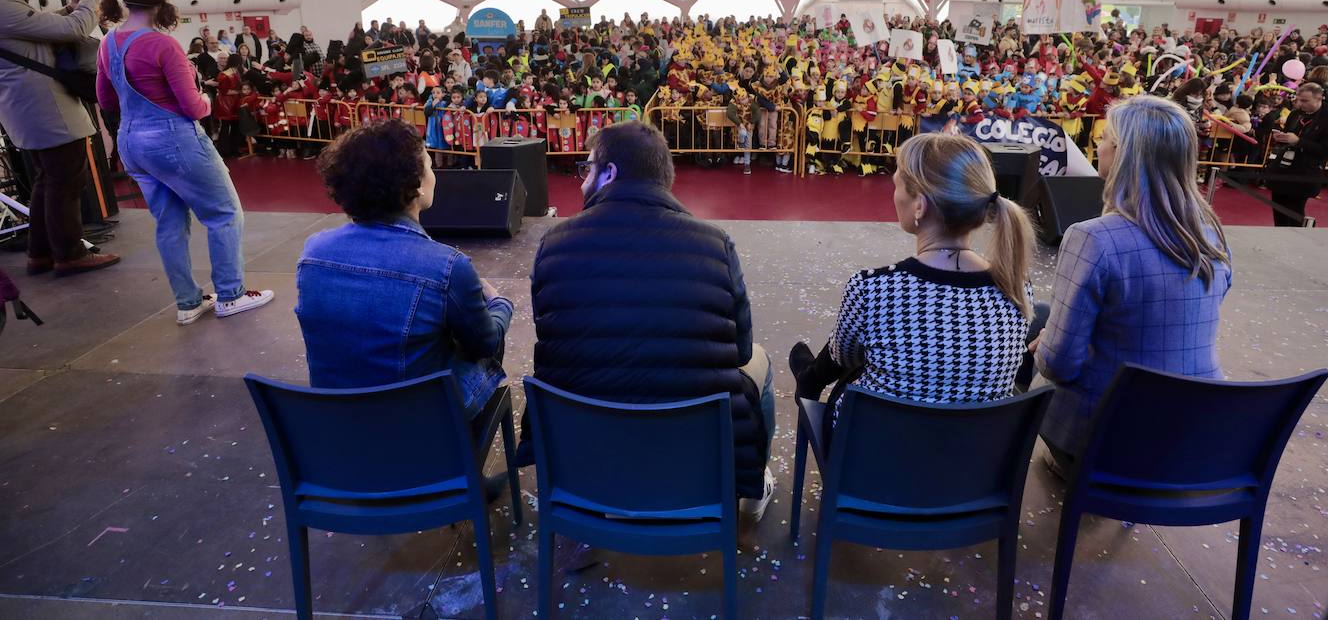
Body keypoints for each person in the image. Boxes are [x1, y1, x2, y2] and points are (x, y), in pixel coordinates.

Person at [521, 121, 776, 518]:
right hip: (690, 441)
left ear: (610, 173)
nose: (582, 180)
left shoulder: (554, 245)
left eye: (587, 168)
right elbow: (740, 350)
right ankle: (753, 491)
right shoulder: (715, 245)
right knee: (760, 363)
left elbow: (551, 337)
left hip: (589, 438)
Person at [1031, 94, 1231, 470]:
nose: (1097, 144)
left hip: (1102, 443)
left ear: (1122, 152)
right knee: (1049, 319)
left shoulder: (1094, 239)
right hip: (1190, 433)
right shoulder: (1212, 236)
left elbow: (1059, 366)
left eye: (1104, 137)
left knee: (1036, 329)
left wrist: (1046, 346)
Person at [790, 132, 1034, 438]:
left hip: (872, 461)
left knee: (851, 363)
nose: (894, 194)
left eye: (897, 184)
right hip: (973, 465)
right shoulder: (1016, 290)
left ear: (919, 205)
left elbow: (843, 357)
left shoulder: (874, 289)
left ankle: (809, 378)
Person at [295, 119, 513, 424]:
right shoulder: (447, 266)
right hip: (416, 425)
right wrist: (500, 304)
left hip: (338, 420)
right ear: (417, 183)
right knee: (486, 334)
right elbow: (485, 343)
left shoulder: (312, 251)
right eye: (428, 163)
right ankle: (462, 451)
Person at [95, 0, 272, 323]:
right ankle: (230, 295)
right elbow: (192, 108)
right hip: (173, 140)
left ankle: (188, 302)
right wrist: (207, 98)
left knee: (169, 222)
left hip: (132, 142)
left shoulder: (108, 43)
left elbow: (107, 101)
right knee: (224, 214)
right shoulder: (163, 44)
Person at [0, 0, 120, 276]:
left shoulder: (6, 6)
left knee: (48, 180)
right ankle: (69, 254)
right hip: (44, 106)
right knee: (66, 180)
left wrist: (73, 6)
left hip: (28, 107)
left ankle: (40, 253)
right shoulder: (1, 5)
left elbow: (42, 25)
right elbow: (70, 30)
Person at [1267, 82, 1328, 226]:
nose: (1300, 104)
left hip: (1305, 173)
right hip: (1283, 169)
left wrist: (1299, 142)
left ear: (1319, 98)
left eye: (1305, 101)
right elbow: (1291, 135)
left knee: (1294, 212)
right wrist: (1283, 138)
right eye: (1298, 100)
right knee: (1278, 210)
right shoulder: (1295, 114)